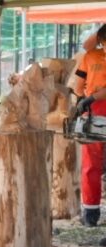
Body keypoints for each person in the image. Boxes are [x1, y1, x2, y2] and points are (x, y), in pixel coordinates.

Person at [72, 24, 106, 227]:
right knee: (90, 164)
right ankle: (90, 212)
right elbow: (77, 85)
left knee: (92, 164)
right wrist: (82, 98)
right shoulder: (90, 55)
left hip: (93, 104)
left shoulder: (92, 55)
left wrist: (89, 97)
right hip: (93, 111)